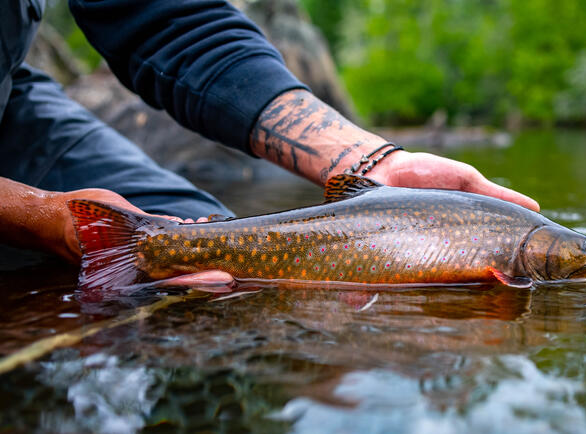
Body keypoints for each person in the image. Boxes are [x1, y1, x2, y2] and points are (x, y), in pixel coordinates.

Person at [0, 0, 538, 286]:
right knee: (110, 250)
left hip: (13, 99)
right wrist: (43, 218)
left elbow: (166, 20)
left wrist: (371, 163)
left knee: (203, 241)